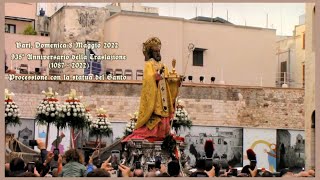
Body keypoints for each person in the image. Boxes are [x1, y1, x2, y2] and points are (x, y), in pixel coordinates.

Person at [122, 37, 181, 142]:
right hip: (155, 99)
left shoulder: (163, 65)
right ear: (151, 52)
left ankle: (162, 135)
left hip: (164, 100)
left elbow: (168, 81)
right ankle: (152, 135)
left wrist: (177, 81)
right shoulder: (149, 64)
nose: (158, 53)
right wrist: (155, 76)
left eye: (159, 51)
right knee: (155, 118)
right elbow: (148, 78)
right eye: (155, 51)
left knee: (164, 118)